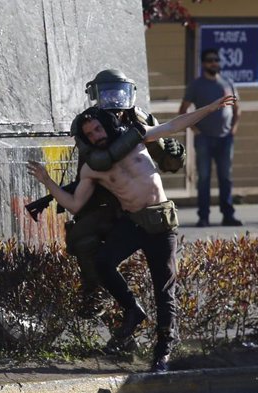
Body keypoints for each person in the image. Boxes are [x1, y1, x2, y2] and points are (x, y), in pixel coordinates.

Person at [27, 93, 236, 372]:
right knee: (102, 262)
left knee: (164, 289)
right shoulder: (92, 168)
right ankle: (133, 310)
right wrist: (48, 181)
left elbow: (174, 125)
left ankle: (163, 351)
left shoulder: (137, 138)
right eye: (89, 134)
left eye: (98, 128)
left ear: (108, 125)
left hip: (160, 224)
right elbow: (75, 204)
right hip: (133, 222)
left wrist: (209, 107)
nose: (95, 135)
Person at [25, 70, 186, 316]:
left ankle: (132, 312)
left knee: (161, 275)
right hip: (104, 198)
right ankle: (97, 294)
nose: (113, 100)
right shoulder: (89, 124)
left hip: (141, 203)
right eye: (107, 93)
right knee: (83, 238)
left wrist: (175, 153)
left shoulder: (139, 120)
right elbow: (88, 171)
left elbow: (168, 162)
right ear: (96, 95)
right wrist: (56, 191)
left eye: (117, 93)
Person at [179, 48, 243, 228]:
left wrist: (233, 129)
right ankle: (204, 217)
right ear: (203, 63)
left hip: (225, 138)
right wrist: (195, 130)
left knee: (226, 178)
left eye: (216, 59)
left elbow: (238, 109)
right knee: (204, 178)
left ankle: (228, 215)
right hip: (204, 139)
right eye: (209, 60)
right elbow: (183, 111)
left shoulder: (227, 82)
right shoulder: (196, 85)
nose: (214, 63)